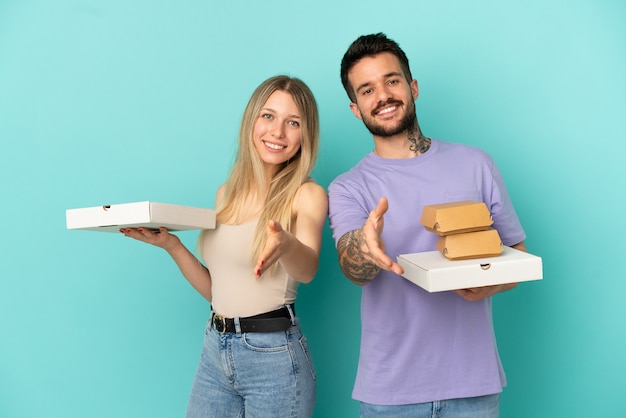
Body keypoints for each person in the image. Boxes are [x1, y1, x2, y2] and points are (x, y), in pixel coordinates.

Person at [328, 33, 528, 417]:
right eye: (367, 90)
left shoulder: (476, 164)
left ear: (412, 86)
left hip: (473, 387)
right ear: (355, 108)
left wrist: (491, 283)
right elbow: (353, 267)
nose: (383, 95)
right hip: (390, 393)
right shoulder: (348, 187)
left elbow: (515, 255)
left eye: (392, 80)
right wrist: (368, 248)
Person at [121, 75, 327, 417]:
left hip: (273, 357)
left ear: (306, 135)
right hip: (216, 348)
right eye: (268, 116)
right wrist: (173, 246)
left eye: (293, 122)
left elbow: (307, 269)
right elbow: (221, 291)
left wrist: (287, 244)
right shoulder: (226, 194)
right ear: (252, 121)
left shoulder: (307, 194)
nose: (278, 132)